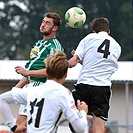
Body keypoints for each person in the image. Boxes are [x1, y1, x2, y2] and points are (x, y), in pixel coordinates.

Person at [0, 51, 88, 133]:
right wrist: (83, 112)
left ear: (47, 71)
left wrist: (13, 126)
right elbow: (80, 128)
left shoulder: (33, 90)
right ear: (66, 74)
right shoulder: (63, 93)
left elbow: (2, 99)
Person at [68, 17, 121, 133]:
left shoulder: (89, 38)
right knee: (99, 129)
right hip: (102, 88)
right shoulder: (117, 46)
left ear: (94, 31)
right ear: (109, 32)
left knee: (76, 124)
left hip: (84, 86)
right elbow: (100, 64)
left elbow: (72, 63)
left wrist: (72, 59)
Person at [14, 12, 64, 126]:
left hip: (41, 88)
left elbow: (52, 71)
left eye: (47, 23)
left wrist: (27, 72)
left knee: (27, 125)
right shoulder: (39, 43)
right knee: (20, 124)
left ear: (54, 28)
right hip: (30, 86)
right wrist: (16, 87)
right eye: (43, 21)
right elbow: (29, 73)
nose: (43, 25)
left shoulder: (54, 46)